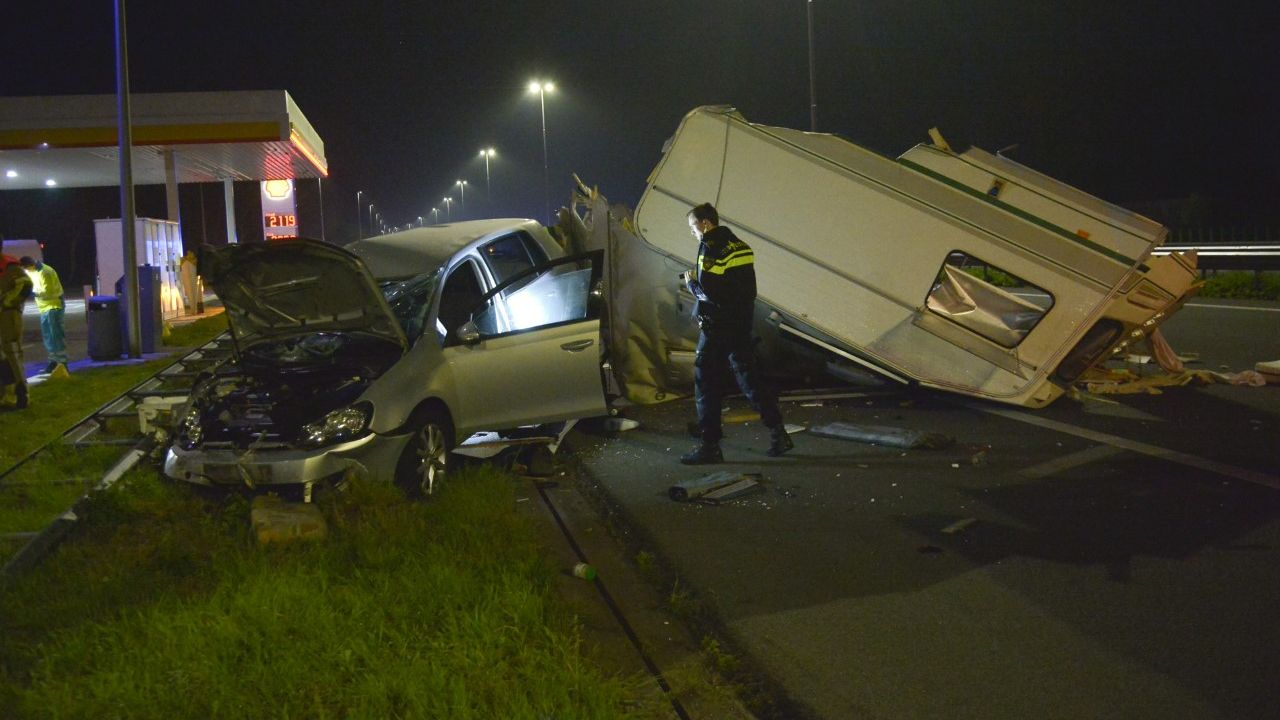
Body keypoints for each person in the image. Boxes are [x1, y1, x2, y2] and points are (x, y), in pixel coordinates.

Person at [679, 202, 792, 464]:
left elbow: (711, 293)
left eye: (693, 227)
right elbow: (740, 290)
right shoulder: (740, 245)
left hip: (717, 326)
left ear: (705, 223)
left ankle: (709, 446)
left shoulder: (710, 248)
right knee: (748, 378)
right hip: (740, 324)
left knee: (706, 383)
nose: (692, 232)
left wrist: (691, 284)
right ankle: (778, 433)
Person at [19, 256, 68, 377]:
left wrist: (31, 293)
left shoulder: (45, 272)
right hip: (44, 307)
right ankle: (53, 361)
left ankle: (62, 362)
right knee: (48, 336)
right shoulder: (33, 271)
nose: (26, 271)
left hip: (54, 306)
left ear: (30, 265)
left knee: (55, 335)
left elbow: (47, 292)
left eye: (26, 269)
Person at [1, 256, 34, 409]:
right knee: (4, 356)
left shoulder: (10, 267)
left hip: (8, 316)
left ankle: (20, 395)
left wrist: (8, 302)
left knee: (11, 353)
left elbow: (26, 285)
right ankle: (8, 394)